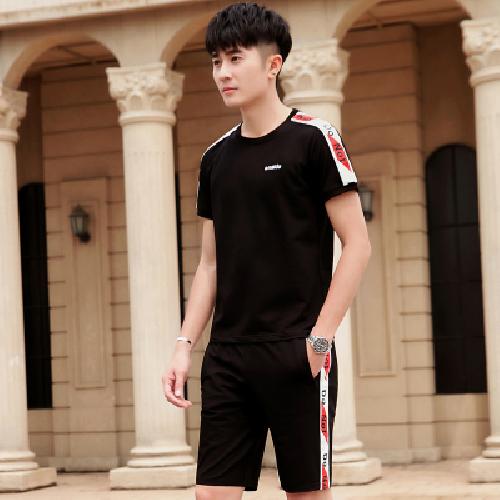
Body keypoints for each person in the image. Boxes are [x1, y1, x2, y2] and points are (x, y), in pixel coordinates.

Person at [162, 2, 371, 499]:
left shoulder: (315, 140)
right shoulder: (215, 159)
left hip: (298, 351)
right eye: (216, 61)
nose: (223, 73)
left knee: (306, 495)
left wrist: (320, 340)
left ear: (273, 64)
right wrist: (184, 345)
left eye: (235, 58)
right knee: (210, 493)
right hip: (228, 356)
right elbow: (209, 264)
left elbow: (357, 245)